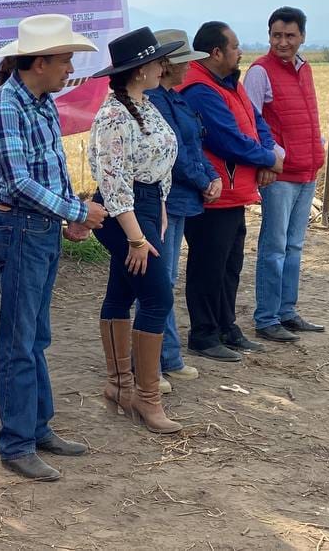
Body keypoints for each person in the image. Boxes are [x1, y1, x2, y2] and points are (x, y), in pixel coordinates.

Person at [0, 14, 108, 481]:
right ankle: (16, 443)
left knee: (34, 335)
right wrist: (75, 213)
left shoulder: (37, 102)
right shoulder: (6, 106)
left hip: (38, 229)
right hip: (20, 230)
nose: (69, 68)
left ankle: (35, 428)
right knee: (20, 338)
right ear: (38, 61)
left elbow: (49, 170)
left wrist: (68, 213)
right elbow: (17, 181)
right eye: (64, 60)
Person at [88, 27, 186, 435]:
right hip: (123, 211)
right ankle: (147, 398)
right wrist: (135, 234)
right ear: (140, 69)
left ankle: (119, 386)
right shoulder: (114, 115)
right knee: (156, 295)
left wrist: (159, 206)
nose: (164, 66)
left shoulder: (144, 105)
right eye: (157, 61)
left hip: (145, 207)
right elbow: (113, 181)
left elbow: (159, 159)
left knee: (123, 290)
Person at [178, 22, 280, 362]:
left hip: (235, 191)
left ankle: (226, 326)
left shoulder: (228, 83)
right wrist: (269, 157)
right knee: (209, 265)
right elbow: (226, 139)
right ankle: (203, 334)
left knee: (229, 264)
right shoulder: (200, 90)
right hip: (213, 193)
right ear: (216, 52)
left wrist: (268, 157)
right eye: (235, 47)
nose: (240, 52)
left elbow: (256, 123)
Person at [243, 7, 327, 345]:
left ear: (302, 37)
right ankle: (266, 317)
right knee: (274, 246)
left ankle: (287, 312)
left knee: (294, 246)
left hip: (307, 171)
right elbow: (250, 123)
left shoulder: (305, 69)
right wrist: (270, 159)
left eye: (290, 36)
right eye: (277, 35)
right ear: (269, 36)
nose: (282, 42)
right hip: (280, 175)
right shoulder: (259, 72)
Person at [142, 30, 214, 391]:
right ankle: (153, 359)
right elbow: (175, 154)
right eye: (184, 59)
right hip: (168, 197)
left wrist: (210, 175)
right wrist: (204, 180)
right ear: (167, 63)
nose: (189, 66)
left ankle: (166, 356)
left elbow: (194, 144)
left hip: (181, 198)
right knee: (160, 280)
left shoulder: (174, 98)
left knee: (166, 278)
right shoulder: (155, 101)